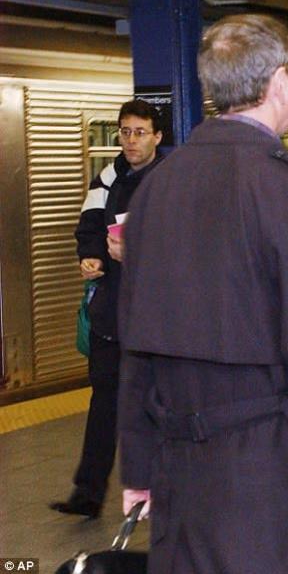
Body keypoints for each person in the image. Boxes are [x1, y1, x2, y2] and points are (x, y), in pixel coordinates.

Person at [116, 14, 288, 573]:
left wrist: (139, 469)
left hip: (182, 472)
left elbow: (135, 346)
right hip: (279, 475)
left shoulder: (155, 189)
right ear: (279, 83)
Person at [50, 99, 164, 519]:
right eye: (124, 131)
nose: (130, 140)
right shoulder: (107, 177)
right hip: (110, 315)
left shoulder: (168, 182)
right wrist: (91, 255)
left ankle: (161, 493)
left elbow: (183, 250)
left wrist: (137, 252)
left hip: (153, 320)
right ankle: (88, 493)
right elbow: (89, 225)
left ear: (157, 137)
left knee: (157, 405)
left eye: (139, 132)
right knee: (104, 401)